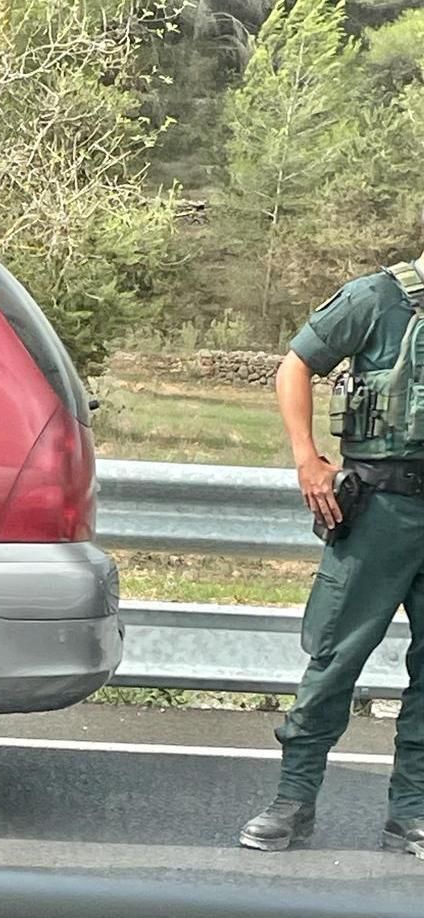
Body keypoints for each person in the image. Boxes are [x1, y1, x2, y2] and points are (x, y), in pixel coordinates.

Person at [239, 256, 424, 858]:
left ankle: (412, 815)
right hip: (378, 510)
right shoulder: (376, 297)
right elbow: (296, 364)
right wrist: (306, 458)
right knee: (336, 660)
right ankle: (293, 802)